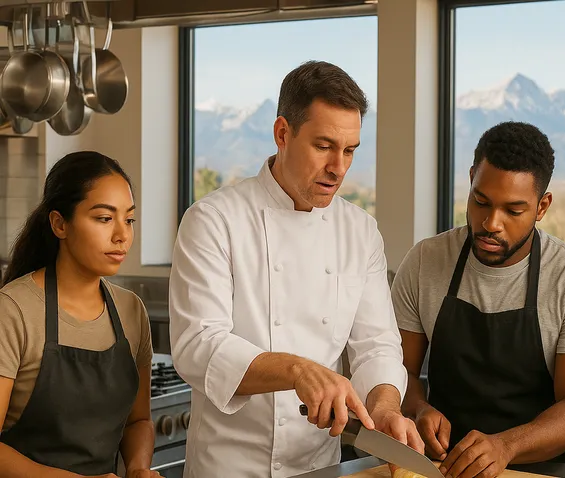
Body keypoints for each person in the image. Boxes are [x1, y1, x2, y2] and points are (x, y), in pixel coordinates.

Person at [169, 60, 423, 477]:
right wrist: (298, 369)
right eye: (324, 146)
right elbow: (199, 345)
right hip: (229, 467)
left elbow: (375, 345)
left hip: (318, 466)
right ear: (283, 133)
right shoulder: (214, 220)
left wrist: (385, 408)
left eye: (350, 151)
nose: (338, 167)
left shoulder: (360, 231)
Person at [392, 121, 565, 478]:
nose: (491, 223)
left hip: (537, 471)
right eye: (481, 202)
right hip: (440, 467)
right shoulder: (424, 262)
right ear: (470, 180)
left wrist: (505, 446)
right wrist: (418, 410)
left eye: (513, 211)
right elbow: (398, 370)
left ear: (542, 207)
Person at [0, 152, 160, 478]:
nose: (122, 235)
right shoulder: (13, 311)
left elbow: (138, 421)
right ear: (60, 224)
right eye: (104, 218)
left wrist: (139, 468)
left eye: (128, 219)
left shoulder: (131, 311)